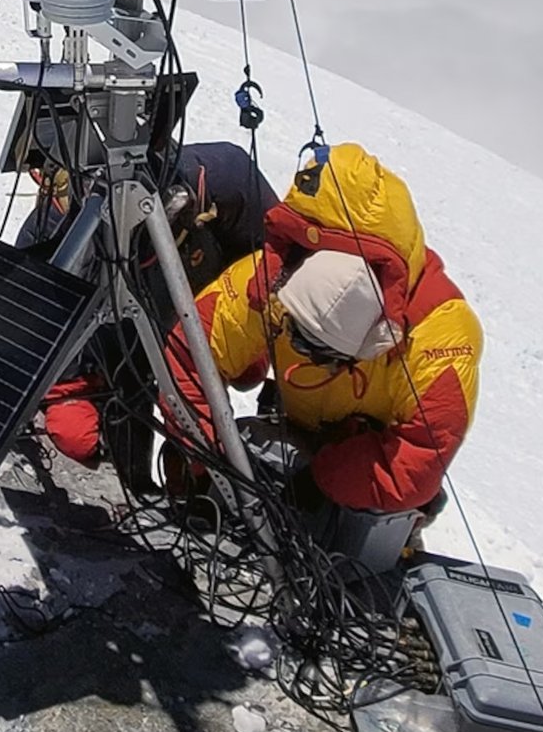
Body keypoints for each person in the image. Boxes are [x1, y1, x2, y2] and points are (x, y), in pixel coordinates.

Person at [185, 142, 480, 526]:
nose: (300, 352)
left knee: (364, 537)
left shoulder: (441, 340)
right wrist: (202, 450)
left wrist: (324, 480)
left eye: (319, 349)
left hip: (366, 456)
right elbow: (188, 352)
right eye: (294, 332)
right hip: (299, 424)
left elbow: (420, 459)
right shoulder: (270, 280)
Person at [35, 139, 276, 476]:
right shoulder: (55, 231)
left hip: (192, 304)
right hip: (111, 345)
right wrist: (69, 388)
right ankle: (171, 473)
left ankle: (201, 476)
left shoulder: (219, 177)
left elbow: (274, 249)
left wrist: (251, 326)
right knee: (79, 429)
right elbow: (37, 321)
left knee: (195, 388)